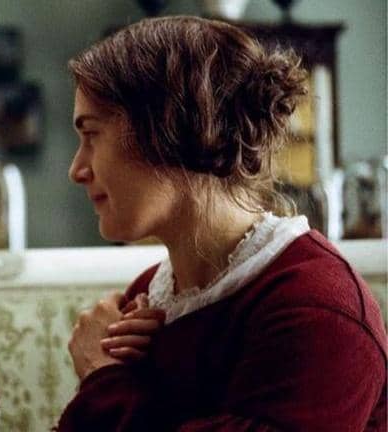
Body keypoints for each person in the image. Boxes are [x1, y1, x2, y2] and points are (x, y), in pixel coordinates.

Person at [58, 16, 386, 431]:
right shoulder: (148, 296)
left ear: (169, 129)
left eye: (92, 135)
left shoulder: (318, 309)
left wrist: (100, 374)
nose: (77, 170)